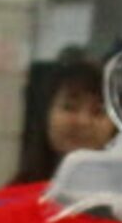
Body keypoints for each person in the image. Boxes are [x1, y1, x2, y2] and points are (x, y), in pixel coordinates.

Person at [11, 49, 112, 187]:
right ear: (45, 114)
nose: (83, 121)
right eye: (70, 107)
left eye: (98, 112)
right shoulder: (9, 199)